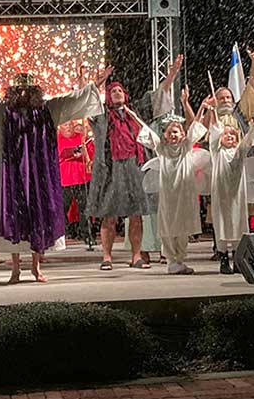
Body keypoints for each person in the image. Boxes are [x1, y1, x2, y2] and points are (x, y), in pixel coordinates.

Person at [0, 66, 108, 283]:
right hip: (11, 175)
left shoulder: (47, 110)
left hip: (38, 174)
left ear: (34, 92)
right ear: (12, 92)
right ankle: (16, 269)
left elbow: (72, 100)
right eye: (19, 90)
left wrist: (94, 86)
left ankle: (36, 268)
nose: (23, 94)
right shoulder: (1, 111)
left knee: (37, 218)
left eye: (27, 90)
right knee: (14, 219)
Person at [134, 85, 209, 275]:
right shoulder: (162, 149)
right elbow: (146, 130)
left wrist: (199, 106)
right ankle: (171, 260)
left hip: (184, 195)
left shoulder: (186, 147)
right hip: (169, 196)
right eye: (169, 132)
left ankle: (179, 260)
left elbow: (195, 126)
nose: (173, 135)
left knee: (183, 227)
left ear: (182, 134)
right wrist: (132, 115)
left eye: (176, 131)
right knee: (168, 227)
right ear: (165, 136)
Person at [87, 81, 153, 270]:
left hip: (134, 165)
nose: (117, 93)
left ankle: (136, 256)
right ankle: (107, 257)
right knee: (109, 214)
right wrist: (96, 84)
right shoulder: (102, 115)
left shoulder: (134, 113)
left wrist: (171, 76)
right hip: (111, 168)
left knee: (136, 214)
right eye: (113, 91)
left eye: (120, 90)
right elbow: (89, 104)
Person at [208, 105, 254, 274]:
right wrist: (213, 112)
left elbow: (247, 140)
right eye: (225, 134)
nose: (228, 136)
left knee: (238, 222)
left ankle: (237, 258)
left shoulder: (239, 152)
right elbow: (214, 132)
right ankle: (223, 258)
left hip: (236, 195)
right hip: (221, 194)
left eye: (232, 134)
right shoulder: (217, 152)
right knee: (221, 223)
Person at [57, 120, 95, 250]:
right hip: (65, 179)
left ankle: (88, 235)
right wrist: (69, 155)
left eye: (70, 125)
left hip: (81, 177)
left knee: (85, 209)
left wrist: (83, 153)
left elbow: (91, 153)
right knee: (62, 209)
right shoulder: (56, 140)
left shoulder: (82, 138)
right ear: (60, 128)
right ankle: (60, 236)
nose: (68, 128)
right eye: (65, 125)